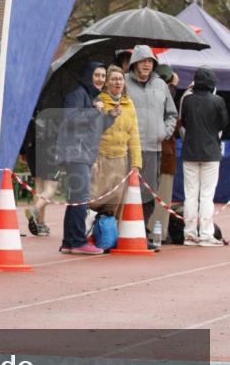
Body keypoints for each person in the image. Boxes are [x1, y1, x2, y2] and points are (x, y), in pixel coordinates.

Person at [57, 61, 116, 255]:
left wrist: (110, 117)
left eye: (102, 76)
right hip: (76, 153)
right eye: (96, 75)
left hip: (85, 153)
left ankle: (69, 241)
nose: (100, 79)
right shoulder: (77, 94)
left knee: (77, 198)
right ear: (88, 75)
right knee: (81, 198)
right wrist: (94, 111)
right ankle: (77, 241)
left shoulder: (93, 98)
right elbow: (70, 120)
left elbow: (94, 129)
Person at [125, 45, 177, 240]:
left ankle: (141, 231)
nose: (147, 64)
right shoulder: (124, 83)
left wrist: (164, 132)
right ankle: (123, 229)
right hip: (129, 148)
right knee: (127, 191)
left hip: (153, 147)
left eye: (150, 61)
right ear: (134, 63)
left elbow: (171, 114)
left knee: (149, 193)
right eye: (143, 61)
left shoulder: (161, 85)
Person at [180, 66, 228, 246]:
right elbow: (223, 123)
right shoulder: (218, 101)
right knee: (207, 195)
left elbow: (183, 121)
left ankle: (189, 234)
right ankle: (206, 234)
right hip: (210, 152)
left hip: (190, 151)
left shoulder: (187, 100)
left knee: (190, 195)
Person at [90, 64, 142, 217]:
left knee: (115, 202)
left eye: (120, 79)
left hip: (121, 160)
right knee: (93, 199)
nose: (118, 82)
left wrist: (136, 164)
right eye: (113, 79)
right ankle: (88, 234)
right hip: (101, 157)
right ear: (107, 82)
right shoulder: (99, 101)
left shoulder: (129, 104)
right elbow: (93, 131)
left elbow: (134, 134)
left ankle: (108, 237)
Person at [152, 63, 180, 242]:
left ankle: (151, 228)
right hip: (165, 153)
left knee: (151, 193)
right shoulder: (169, 95)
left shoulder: (150, 93)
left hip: (150, 151)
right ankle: (158, 231)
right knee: (163, 195)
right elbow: (175, 123)